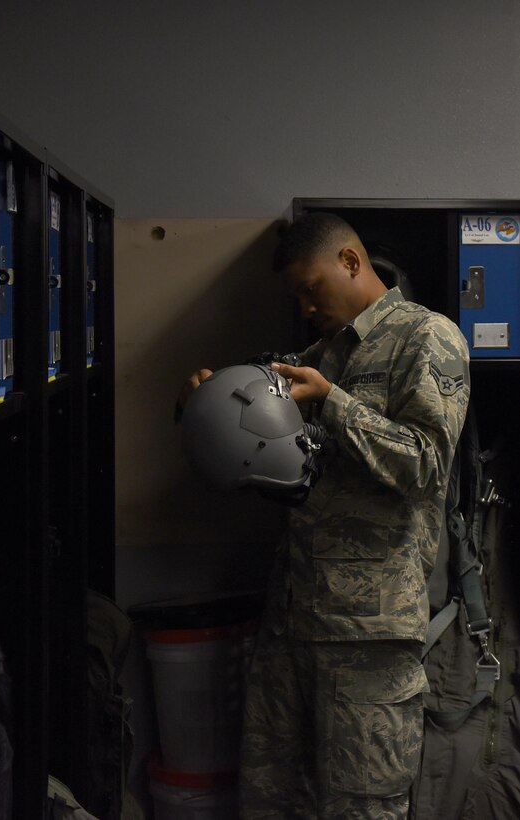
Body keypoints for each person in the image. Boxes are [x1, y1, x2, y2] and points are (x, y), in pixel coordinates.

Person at [177, 212, 471, 818]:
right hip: (292, 620)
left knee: (363, 806)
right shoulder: (322, 353)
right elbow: (279, 466)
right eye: (298, 295)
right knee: (273, 796)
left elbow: (426, 465)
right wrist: (209, 407)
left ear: (350, 261)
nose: (307, 305)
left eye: (313, 287)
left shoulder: (428, 337)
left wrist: (332, 403)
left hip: (369, 638)